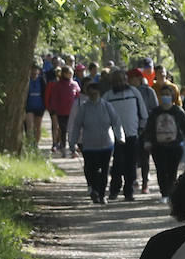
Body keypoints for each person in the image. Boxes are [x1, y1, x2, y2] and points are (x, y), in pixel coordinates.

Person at [68, 80, 124, 204]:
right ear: (87, 94)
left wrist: (120, 137)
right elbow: (76, 126)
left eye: (95, 93)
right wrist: (73, 143)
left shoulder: (107, 106)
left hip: (106, 145)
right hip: (89, 146)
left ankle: (102, 194)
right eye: (90, 93)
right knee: (91, 170)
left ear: (99, 93)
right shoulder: (83, 108)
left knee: (104, 171)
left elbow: (116, 121)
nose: (93, 95)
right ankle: (94, 189)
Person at [141, 82, 185, 200]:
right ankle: (164, 193)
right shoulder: (155, 112)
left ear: (172, 96)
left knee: (172, 171)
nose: (165, 96)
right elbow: (149, 127)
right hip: (158, 146)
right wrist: (147, 141)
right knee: (161, 170)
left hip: (175, 146)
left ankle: (171, 193)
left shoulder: (178, 111)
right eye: (163, 94)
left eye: (167, 94)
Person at [105, 69, 148, 201]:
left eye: (123, 79)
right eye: (118, 80)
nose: (121, 82)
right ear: (113, 82)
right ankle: (114, 190)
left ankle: (129, 192)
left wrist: (141, 129)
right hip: (115, 137)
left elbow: (143, 113)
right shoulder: (107, 96)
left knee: (131, 165)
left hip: (132, 135)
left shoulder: (134, 93)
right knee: (117, 165)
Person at [129, 68, 159, 193]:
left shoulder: (149, 92)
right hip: (131, 128)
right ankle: (132, 180)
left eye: (133, 79)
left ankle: (145, 184)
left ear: (139, 79)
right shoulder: (128, 92)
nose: (131, 81)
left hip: (146, 130)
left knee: (145, 157)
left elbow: (155, 110)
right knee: (131, 157)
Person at [45, 66, 79, 156]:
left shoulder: (75, 84)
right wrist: (53, 111)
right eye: (69, 73)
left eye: (71, 73)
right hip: (61, 112)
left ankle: (72, 149)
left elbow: (78, 97)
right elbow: (54, 99)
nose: (71, 75)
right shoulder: (58, 85)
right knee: (63, 131)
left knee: (72, 131)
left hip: (73, 112)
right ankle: (63, 148)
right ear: (64, 74)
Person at [24, 65, 46, 148]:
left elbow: (45, 92)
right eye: (32, 70)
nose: (34, 72)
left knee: (38, 127)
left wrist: (45, 106)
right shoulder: (27, 80)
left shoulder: (41, 80)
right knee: (29, 126)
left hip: (39, 106)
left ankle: (36, 145)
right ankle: (29, 144)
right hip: (29, 106)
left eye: (35, 70)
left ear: (38, 71)